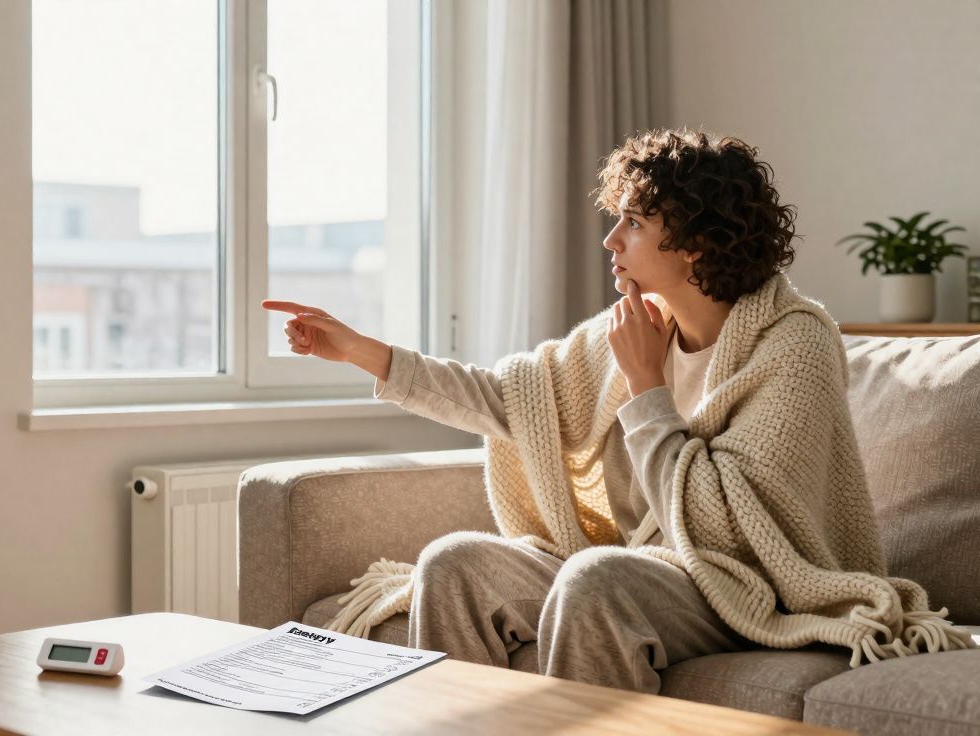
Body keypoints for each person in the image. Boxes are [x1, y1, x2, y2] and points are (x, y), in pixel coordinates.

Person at [262, 127, 973, 692]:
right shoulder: (635, 325)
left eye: (632, 222)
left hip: (744, 583)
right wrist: (362, 351)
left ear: (695, 240)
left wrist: (645, 389)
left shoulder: (794, 344)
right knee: (453, 563)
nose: (611, 241)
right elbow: (511, 400)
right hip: (650, 569)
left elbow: (732, 523)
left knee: (595, 579)